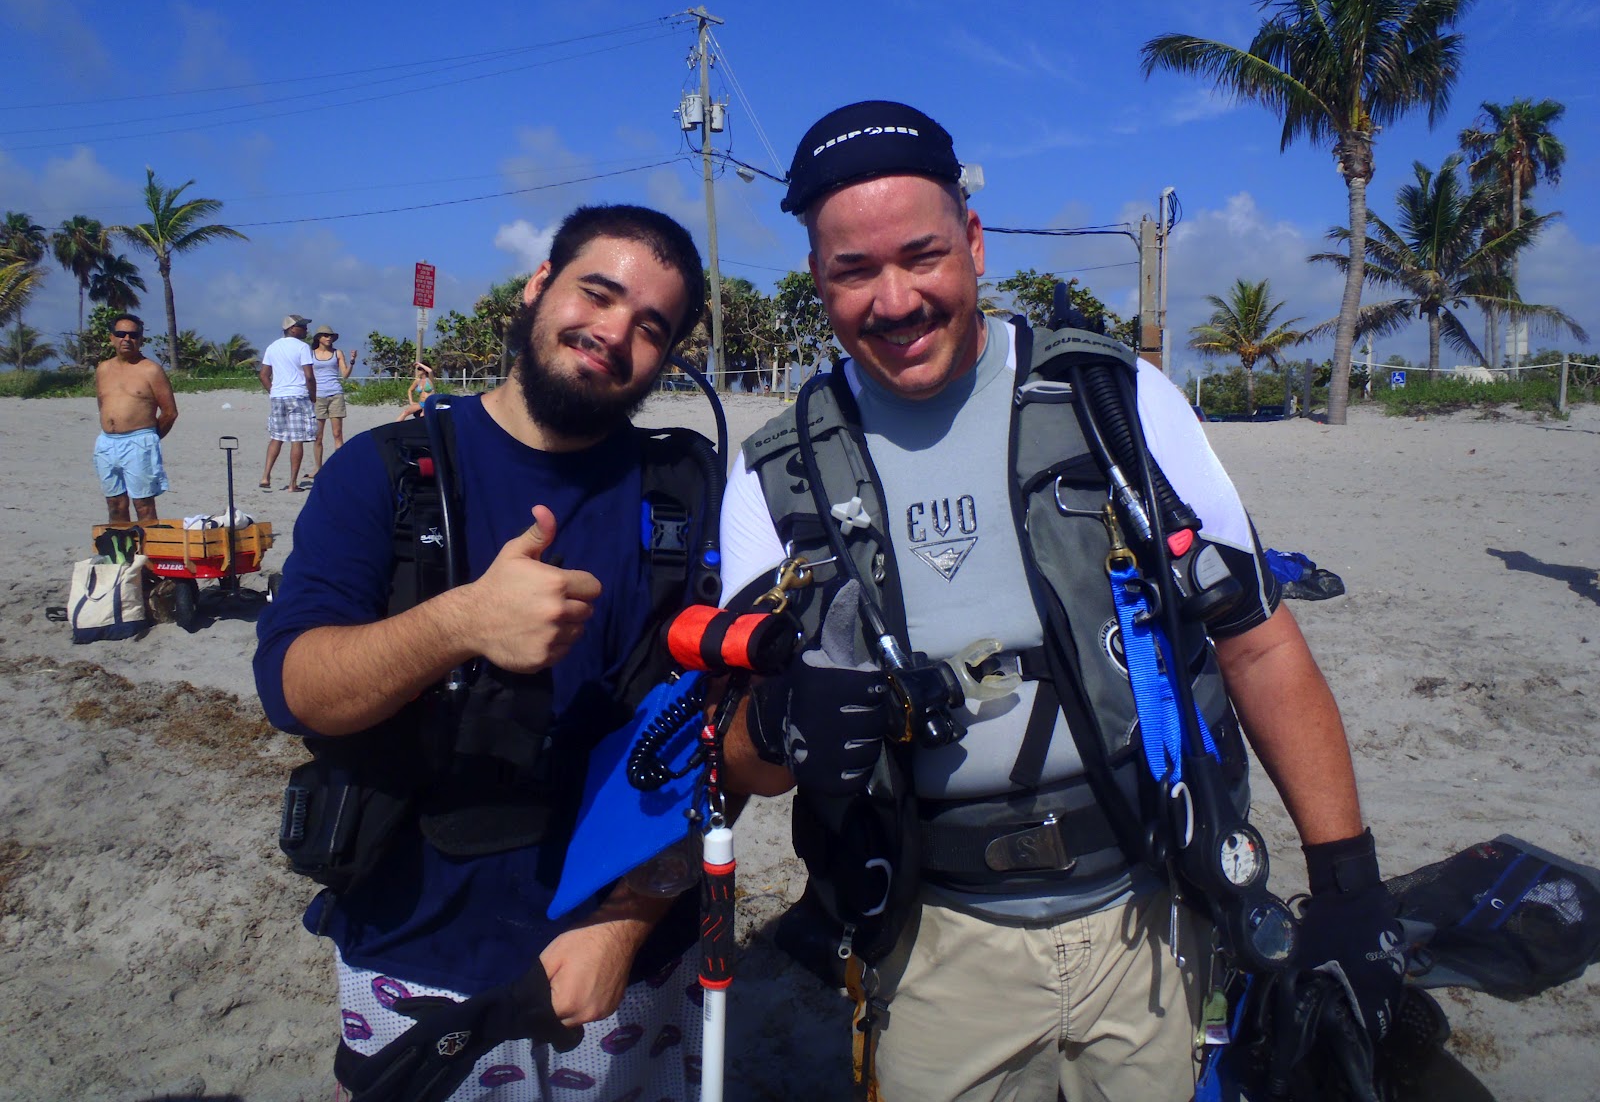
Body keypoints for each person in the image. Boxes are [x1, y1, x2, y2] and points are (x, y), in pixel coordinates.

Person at [717, 101, 1404, 1101]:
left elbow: (1255, 640)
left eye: (922, 255)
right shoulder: (773, 476)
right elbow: (736, 763)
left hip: (1154, 916)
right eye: (852, 272)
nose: (895, 298)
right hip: (932, 947)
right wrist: (779, 721)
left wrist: (1347, 882)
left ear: (976, 242)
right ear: (817, 279)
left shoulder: (1115, 401)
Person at [254, 204, 710, 1101]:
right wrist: (458, 622)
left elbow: (718, 735)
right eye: (598, 292)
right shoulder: (383, 472)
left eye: (651, 326)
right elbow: (295, 688)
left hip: (629, 964)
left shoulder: (686, 491)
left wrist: (625, 926)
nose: (614, 333)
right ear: (538, 286)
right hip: (415, 958)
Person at [93, 313, 178, 522]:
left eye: (133, 335)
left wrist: (150, 438)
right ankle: (121, 552)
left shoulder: (151, 370)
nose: (126, 339)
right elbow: (102, 403)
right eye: (120, 334)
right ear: (111, 337)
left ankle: (149, 553)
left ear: (140, 339)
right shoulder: (103, 369)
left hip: (139, 443)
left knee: (143, 504)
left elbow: (170, 412)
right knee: (115, 503)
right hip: (107, 443)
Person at [259, 314, 317, 492]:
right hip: (298, 395)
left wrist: (273, 390)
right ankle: (293, 483)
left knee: (276, 437)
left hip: (278, 396)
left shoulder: (273, 347)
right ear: (292, 328)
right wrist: (313, 395)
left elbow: (263, 375)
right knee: (297, 439)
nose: (306, 330)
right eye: (302, 326)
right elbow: (309, 376)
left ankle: (265, 476)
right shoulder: (302, 347)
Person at [307, 324, 357, 476]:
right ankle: (318, 467)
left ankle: (340, 466)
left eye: (330, 336)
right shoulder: (310, 354)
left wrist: (353, 361)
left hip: (335, 394)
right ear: (318, 338)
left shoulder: (337, 353)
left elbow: (345, 375)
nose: (328, 338)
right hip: (318, 396)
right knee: (318, 435)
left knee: (337, 433)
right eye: (325, 335)